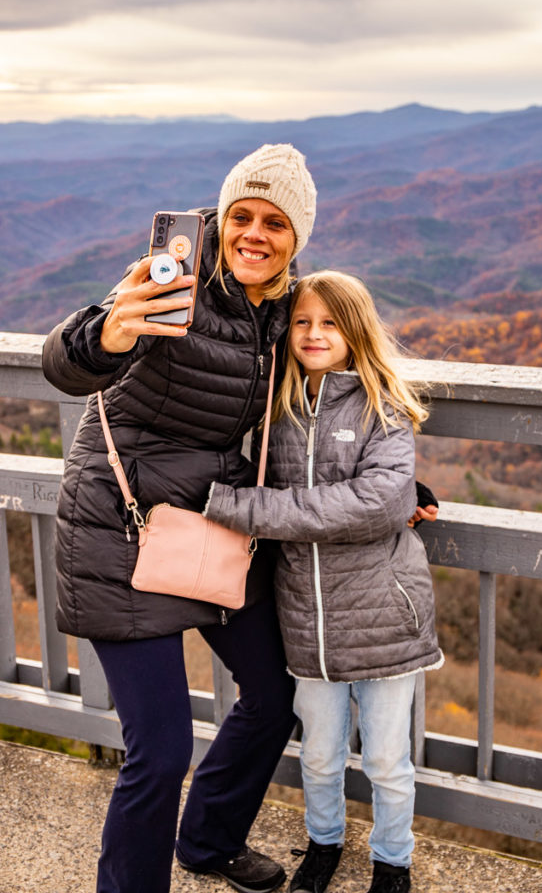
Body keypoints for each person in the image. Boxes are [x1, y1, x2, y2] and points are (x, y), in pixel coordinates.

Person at [42, 144, 319, 893]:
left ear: (298, 238)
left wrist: (387, 471)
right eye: (240, 216)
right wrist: (105, 333)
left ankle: (208, 840)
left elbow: (332, 404)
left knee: (273, 697)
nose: (253, 234)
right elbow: (67, 362)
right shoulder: (174, 281)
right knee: (161, 751)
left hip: (212, 523)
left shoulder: (287, 311)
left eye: (274, 222)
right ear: (219, 219)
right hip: (121, 531)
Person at [204, 270, 444, 893]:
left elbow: (378, 504)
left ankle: (393, 861)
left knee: (389, 761)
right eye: (303, 322)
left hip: (383, 618)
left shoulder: (380, 403)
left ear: (355, 330)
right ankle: (324, 844)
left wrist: (247, 509)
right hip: (305, 621)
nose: (314, 334)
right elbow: (306, 490)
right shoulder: (276, 409)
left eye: (330, 323)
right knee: (318, 754)